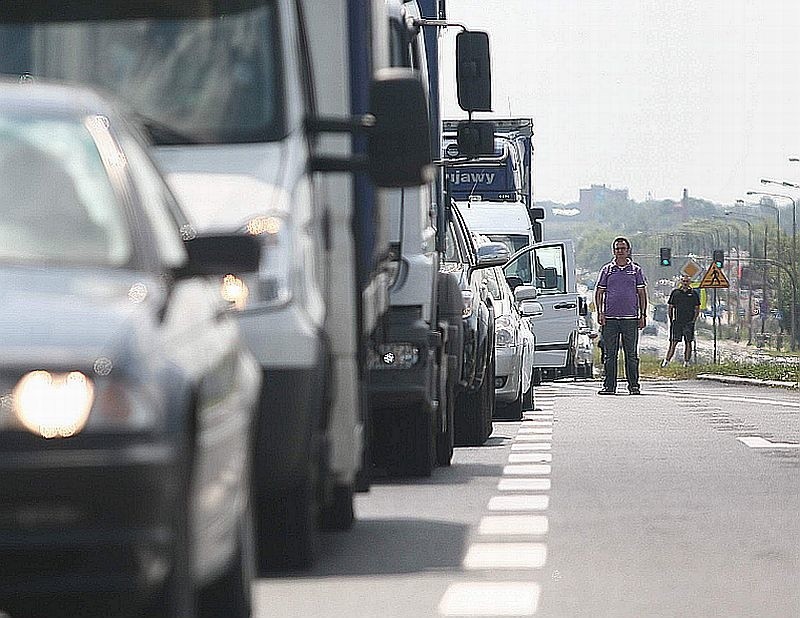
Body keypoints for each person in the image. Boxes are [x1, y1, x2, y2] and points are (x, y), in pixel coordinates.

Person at [594, 237, 648, 395]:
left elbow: (642, 293)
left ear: (628, 250)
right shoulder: (607, 270)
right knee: (610, 354)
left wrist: (642, 314)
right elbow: (599, 292)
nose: (620, 251)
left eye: (623, 248)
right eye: (617, 249)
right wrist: (600, 312)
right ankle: (609, 386)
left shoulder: (636, 270)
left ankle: (634, 386)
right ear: (613, 251)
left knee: (631, 354)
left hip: (630, 319)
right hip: (610, 319)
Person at [661, 275, 701, 367]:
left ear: (690, 283)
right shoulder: (676, 293)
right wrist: (671, 319)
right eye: (683, 281)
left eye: (687, 281)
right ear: (681, 282)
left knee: (688, 342)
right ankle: (666, 361)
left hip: (688, 322)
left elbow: (697, 308)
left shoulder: (693, 294)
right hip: (677, 321)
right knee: (673, 342)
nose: (685, 283)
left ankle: (686, 362)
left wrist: (693, 320)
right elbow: (670, 306)